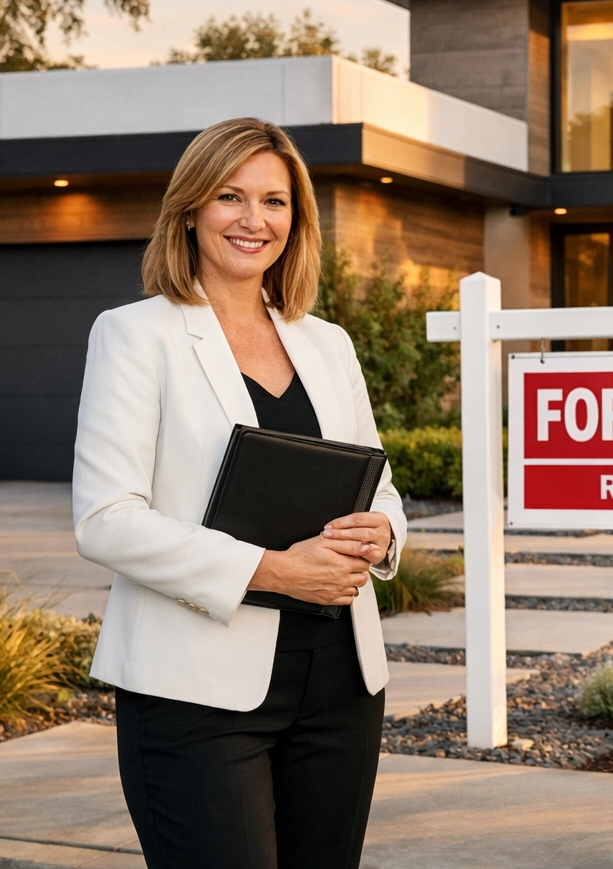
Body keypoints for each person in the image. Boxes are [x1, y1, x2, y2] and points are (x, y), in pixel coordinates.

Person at [73, 117, 407, 869]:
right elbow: (106, 520)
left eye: (274, 201)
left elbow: (380, 487)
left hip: (341, 685)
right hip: (194, 693)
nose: (254, 219)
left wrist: (382, 533)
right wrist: (275, 570)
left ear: (296, 218)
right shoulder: (135, 335)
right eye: (231, 196)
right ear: (191, 209)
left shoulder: (328, 342)